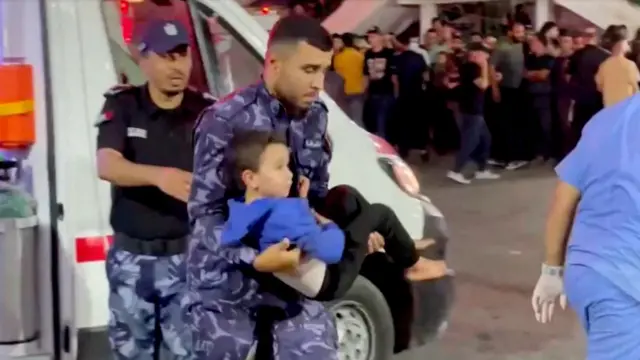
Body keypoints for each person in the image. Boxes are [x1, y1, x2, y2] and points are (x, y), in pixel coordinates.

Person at [184, 15, 443, 360]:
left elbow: (316, 195)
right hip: (230, 295)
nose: (319, 83)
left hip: (295, 283)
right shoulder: (225, 120)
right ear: (274, 64)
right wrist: (256, 259)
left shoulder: (315, 114)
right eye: (309, 70)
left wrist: (343, 231)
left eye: (324, 70)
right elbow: (205, 218)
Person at [95, 20, 215, 359]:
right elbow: (107, 165)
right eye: (166, 56)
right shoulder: (124, 106)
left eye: (182, 55)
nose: (176, 66)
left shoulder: (205, 112)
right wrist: (159, 176)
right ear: (143, 59)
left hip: (187, 258)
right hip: (133, 261)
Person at [531, 94, 640, 360]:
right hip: (625, 281)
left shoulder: (607, 120)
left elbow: (564, 198)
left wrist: (551, 270)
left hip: (593, 270)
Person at [447, 42, 500, 184]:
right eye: (483, 55)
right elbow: (483, 85)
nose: (486, 58)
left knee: (485, 139)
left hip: (475, 108)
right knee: (470, 141)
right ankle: (456, 171)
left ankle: (482, 169)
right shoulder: (471, 68)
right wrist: (484, 67)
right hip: (472, 109)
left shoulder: (470, 67)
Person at [566, 27, 608, 145]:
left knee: (579, 131)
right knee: (596, 131)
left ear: (584, 38)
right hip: (597, 100)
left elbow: (568, 76)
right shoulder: (605, 56)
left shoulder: (576, 55)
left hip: (580, 100)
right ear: (596, 38)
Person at [524, 34, 555, 162]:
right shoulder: (529, 58)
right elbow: (524, 73)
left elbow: (544, 75)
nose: (532, 44)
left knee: (545, 124)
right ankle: (536, 152)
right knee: (533, 124)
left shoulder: (549, 58)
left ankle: (547, 152)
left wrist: (532, 74)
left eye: (535, 42)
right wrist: (535, 74)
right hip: (530, 95)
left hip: (545, 96)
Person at [363, 26, 397, 139]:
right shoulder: (367, 54)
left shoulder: (389, 53)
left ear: (380, 38)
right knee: (373, 122)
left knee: (382, 121)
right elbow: (366, 74)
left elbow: (394, 76)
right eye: (369, 37)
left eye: (373, 37)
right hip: (373, 92)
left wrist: (397, 93)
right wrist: (365, 91)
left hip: (386, 92)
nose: (370, 39)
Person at [596, 26, 640, 107]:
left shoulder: (604, 64)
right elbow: (635, 88)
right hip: (626, 107)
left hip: (609, 107)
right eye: (627, 42)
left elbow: (599, 87)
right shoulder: (629, 64)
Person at [332, 33, 366, 126]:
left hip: (343, 93)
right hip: (358, 91)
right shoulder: (360, 55)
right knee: (358, 121)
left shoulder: (337, 57)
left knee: (346, 122)